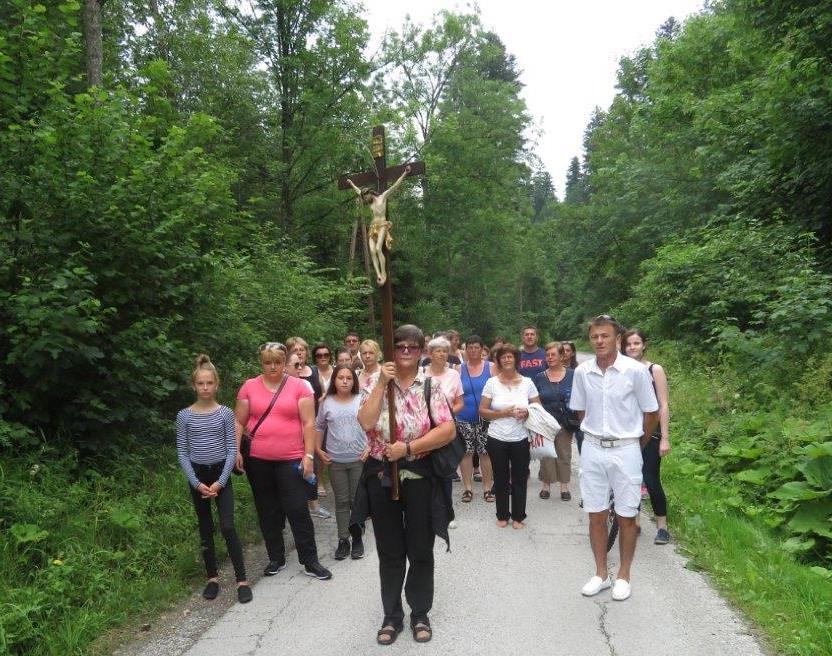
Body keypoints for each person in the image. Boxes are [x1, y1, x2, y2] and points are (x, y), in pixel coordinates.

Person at [355, 324, 455, 645]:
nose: (407, 352)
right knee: (390, 550)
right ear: (392, 350)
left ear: (421, 350)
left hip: (419, 473)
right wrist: (381, 383)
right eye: (401, 346)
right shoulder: (373, 381)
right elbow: (366, 422)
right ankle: (391, 615)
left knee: (420, 547)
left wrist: (408, 448)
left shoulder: (430, 385)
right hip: (381, 474)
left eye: (413, 347)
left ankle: (420, 612)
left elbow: (447, 430)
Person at [569, 315, 658, 602]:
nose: (599, 341)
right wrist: (594, 435)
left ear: (617, 338)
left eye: (605, 336)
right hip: (593, 448)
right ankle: (600, 574)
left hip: (626, 449)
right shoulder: (583, 372)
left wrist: (635, 444)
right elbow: (581, 411)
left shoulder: (635, 371)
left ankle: (623, 575)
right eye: (595, 336)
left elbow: (651, 413)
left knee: (627, 515)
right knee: (595, 513)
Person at [234, 343, 333, 581]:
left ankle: (310, 560)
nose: (273, 367)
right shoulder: (249, 386)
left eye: (277, 362)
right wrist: (235, 451)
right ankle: (275, 557)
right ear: (261, 363)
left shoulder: (300, 387)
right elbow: (239, 421)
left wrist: (309, 455)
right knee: (267, 510)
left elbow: (309, 423)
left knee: (298, 508)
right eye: (267, 362)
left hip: (291, 458)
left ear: (284, 363)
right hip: (258, 459)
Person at [177, 355, 252, 603]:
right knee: (206, 527)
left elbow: (231, 449)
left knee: (227, 525)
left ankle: (242, 579)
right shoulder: (184, 415)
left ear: (217, 385)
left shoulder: (225, 413)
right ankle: (212, 577)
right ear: (194, 386)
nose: (205, 388)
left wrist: (221, 481)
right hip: (198, 475)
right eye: (201, 383)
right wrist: (196, 483)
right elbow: (182, 452)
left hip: (221, 473)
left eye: (209, 383)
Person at [479, 343, 540, 529]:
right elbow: (482, 411)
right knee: (501, 477)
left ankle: (519, 516)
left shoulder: (528, 382)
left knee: (520, 477)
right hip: (497, 437)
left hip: (520, 437)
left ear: (516, 359)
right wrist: (502, 413)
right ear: (498, 361)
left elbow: (538, 407)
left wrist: (528, 412)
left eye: (510, 356)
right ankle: (502, 514)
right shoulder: (492, 383)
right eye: (503, 357)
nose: (506, 359)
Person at [314, 365, 369, 560]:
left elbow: (374, 424)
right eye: (340, 378)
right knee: (342, 501)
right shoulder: (326, 402)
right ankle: (343, 539)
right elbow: (319, 426)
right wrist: (318, 449)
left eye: (349, 378)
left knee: (356, 500)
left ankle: (357, 538)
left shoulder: (362, 399)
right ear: (334, 381)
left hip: (358, 459)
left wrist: (370, 447)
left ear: (354, 380)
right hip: (335, 461)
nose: (345, 381)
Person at [622, 329, 671, 545]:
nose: (632, 347)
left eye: (636, 343)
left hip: (651, 432)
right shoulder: (622, 370)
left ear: (644, 345)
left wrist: (665, 437)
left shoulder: (654, 369)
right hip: (628, 433)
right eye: (628, 344)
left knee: (650, 478)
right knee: (630, 480)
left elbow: (663, 404)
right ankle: (636, 522)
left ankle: (662, 527)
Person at [346, 165, 412, 285]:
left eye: (366, 196)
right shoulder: (369, 203)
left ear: (370, 193)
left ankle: (384, 273)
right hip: (373, 227)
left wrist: (405, 173)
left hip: (382, 226)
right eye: (364, 197)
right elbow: (358, 191)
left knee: (378, 248)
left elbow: (395, 186)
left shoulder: (383, 197)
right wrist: (351, 184)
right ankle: (378, 275)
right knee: (372, 251)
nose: (365, 199)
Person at [424, 336, 464, 527]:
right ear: (430, 354)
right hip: (425, 430)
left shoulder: (454, 375)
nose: (442, 354)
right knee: (426, 473)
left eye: (444, 351)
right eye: (438, 350)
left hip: (446, 429)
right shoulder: (422, 374)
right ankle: (428, 514)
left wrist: (445, 415)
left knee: (445, 472)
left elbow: (460, 403)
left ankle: (448, 515)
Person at [533, 342, 576, 501]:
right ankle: (546, 485)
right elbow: (534, 399)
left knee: (564, 454)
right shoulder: (539, 377)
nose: (550, 358)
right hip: (545, 423)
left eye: (553, 355)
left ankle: (564, 486)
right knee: (546, 454)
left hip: (565, 422)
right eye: (547, 355)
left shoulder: (573, 375)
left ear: (562, 356)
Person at [458, 335, 495, 502]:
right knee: (466, 453)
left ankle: (487, 488)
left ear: (482, 349)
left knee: (485, 453)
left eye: (476, 347)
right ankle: (467, 488)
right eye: (470, 347)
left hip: (485, 418)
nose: (473, 350)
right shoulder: (459, 369)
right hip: (463, 417)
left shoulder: (491, 367)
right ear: (466, 350)